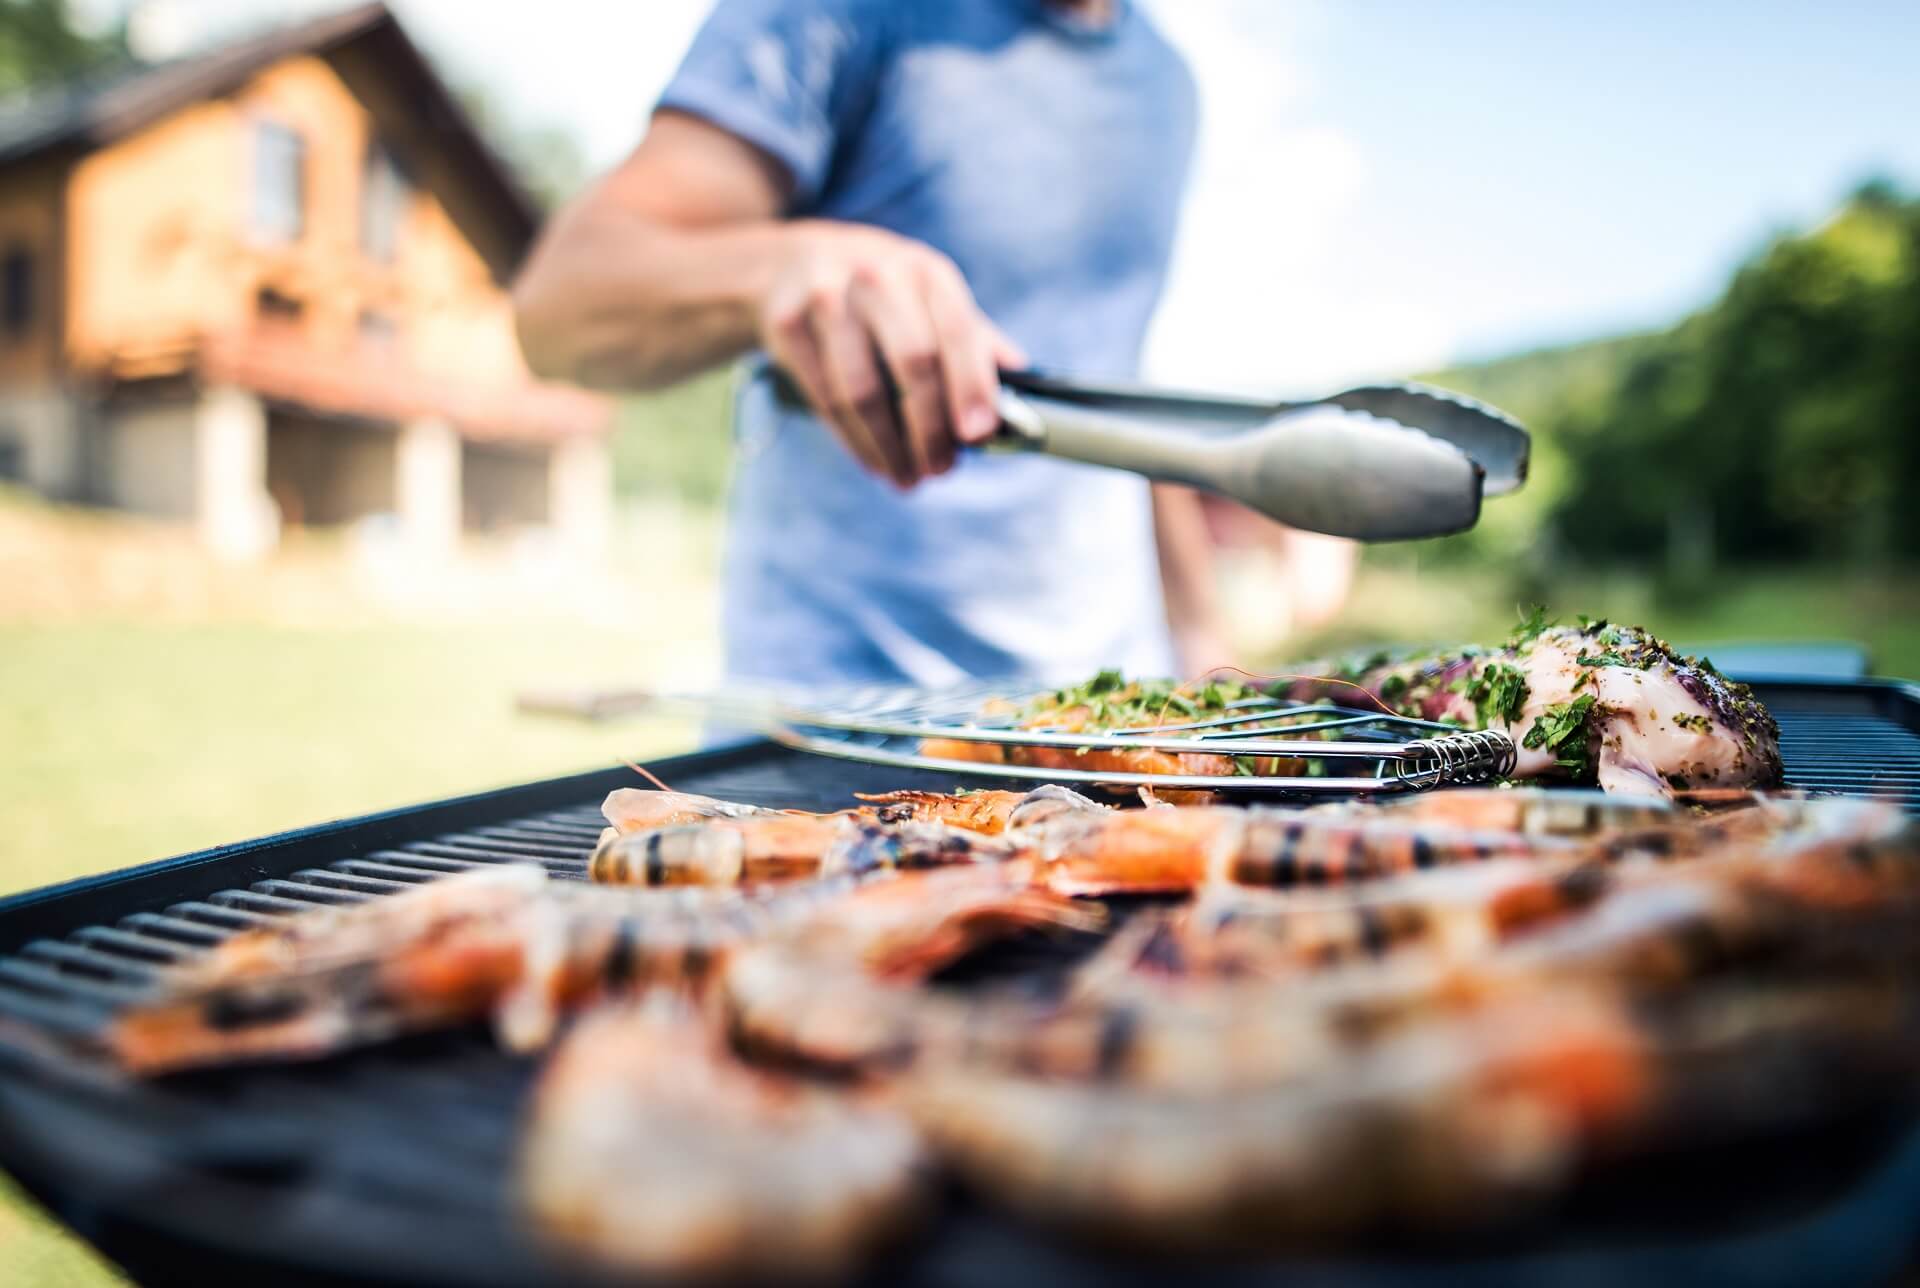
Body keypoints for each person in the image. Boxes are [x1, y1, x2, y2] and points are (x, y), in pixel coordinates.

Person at [514, 0, 1223, 688]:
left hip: (1103, 719)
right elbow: (559, 307)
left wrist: (1202, 638)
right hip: (841, 727)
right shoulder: (828, 13)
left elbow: (1111, 371)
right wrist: (778, 271)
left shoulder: (1167, 83)